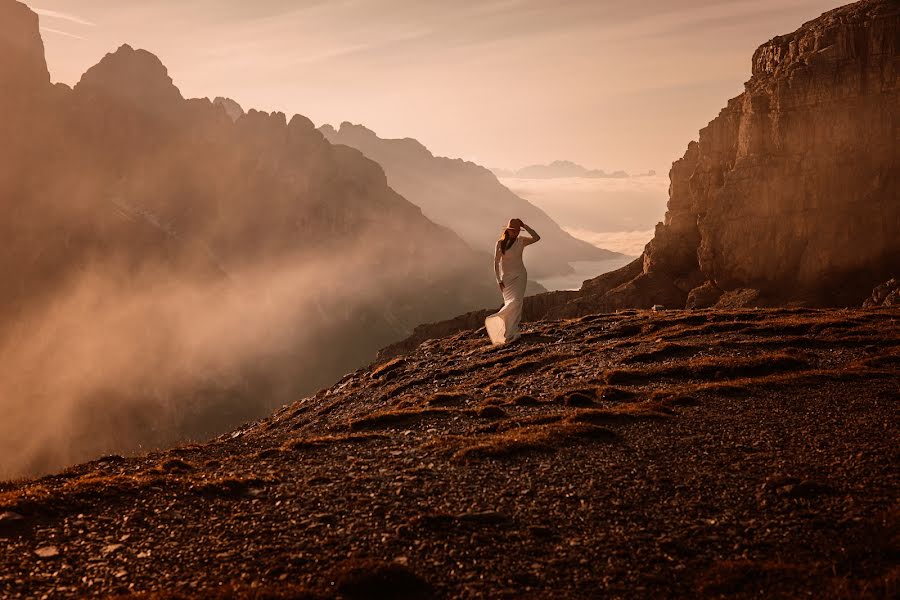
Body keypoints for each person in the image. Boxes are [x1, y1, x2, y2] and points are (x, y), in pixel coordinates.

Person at [485, 218, 540, 345]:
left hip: (520, 276)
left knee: (516, 303)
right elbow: (496, 263)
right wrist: (498, 280)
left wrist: (525, 226)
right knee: (510, 304)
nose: (515, 233)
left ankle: (512, 332)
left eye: (517, 231)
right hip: (507, 280)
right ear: (508, 230)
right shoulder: (500, 243)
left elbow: (537, 237)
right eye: (513, 231)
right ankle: (507, 332)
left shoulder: (521, 241)